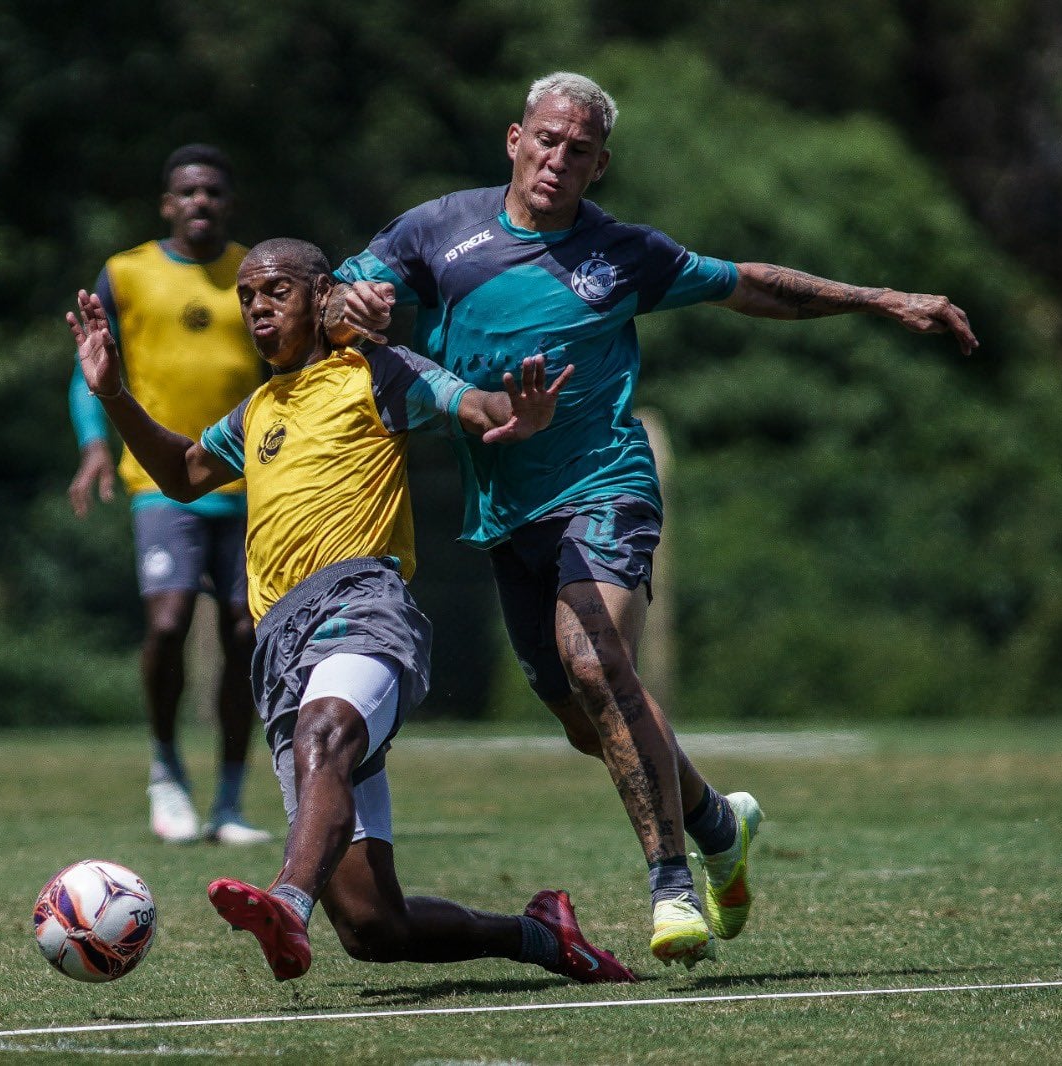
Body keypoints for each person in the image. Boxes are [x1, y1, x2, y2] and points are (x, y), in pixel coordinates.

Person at [329, 71, 981, 967]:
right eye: (547, 141)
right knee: (578, 717)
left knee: (597, 661)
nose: (559, 160)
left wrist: (880, 299)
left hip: (606, 486)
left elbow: (748, 284)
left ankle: (673, 890)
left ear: (602, 166)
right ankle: (718, 820)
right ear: (514, 139)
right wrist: (350, 304)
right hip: (506, 513)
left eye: (581, 151)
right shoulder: (436, 229)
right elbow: (331, 298)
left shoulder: (623, 254)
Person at [70, 237, 634, 985]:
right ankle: (539, 936)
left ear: (322, 294)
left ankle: (287, 902)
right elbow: (179, 474)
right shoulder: (257, 411)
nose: (258, 310)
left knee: (324, 727)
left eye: (275, 291)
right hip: (280, 647)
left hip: (361, 603)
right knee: (373, 927)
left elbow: (469, 403)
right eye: (246, 298)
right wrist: (113, 395)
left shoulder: (377, 374)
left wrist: (514, 413)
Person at [66, 144, 270, 845]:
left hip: (248, 485)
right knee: (166, 624)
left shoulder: (255, 274)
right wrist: (95, 444)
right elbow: (88, 367)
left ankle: (232, 799)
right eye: (187, 192)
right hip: (159, 485)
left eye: (212, 191)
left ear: (229, 202)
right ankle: (165, 770)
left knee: (248, 634)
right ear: (166, 203)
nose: (200, 203)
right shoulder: (127, 274)